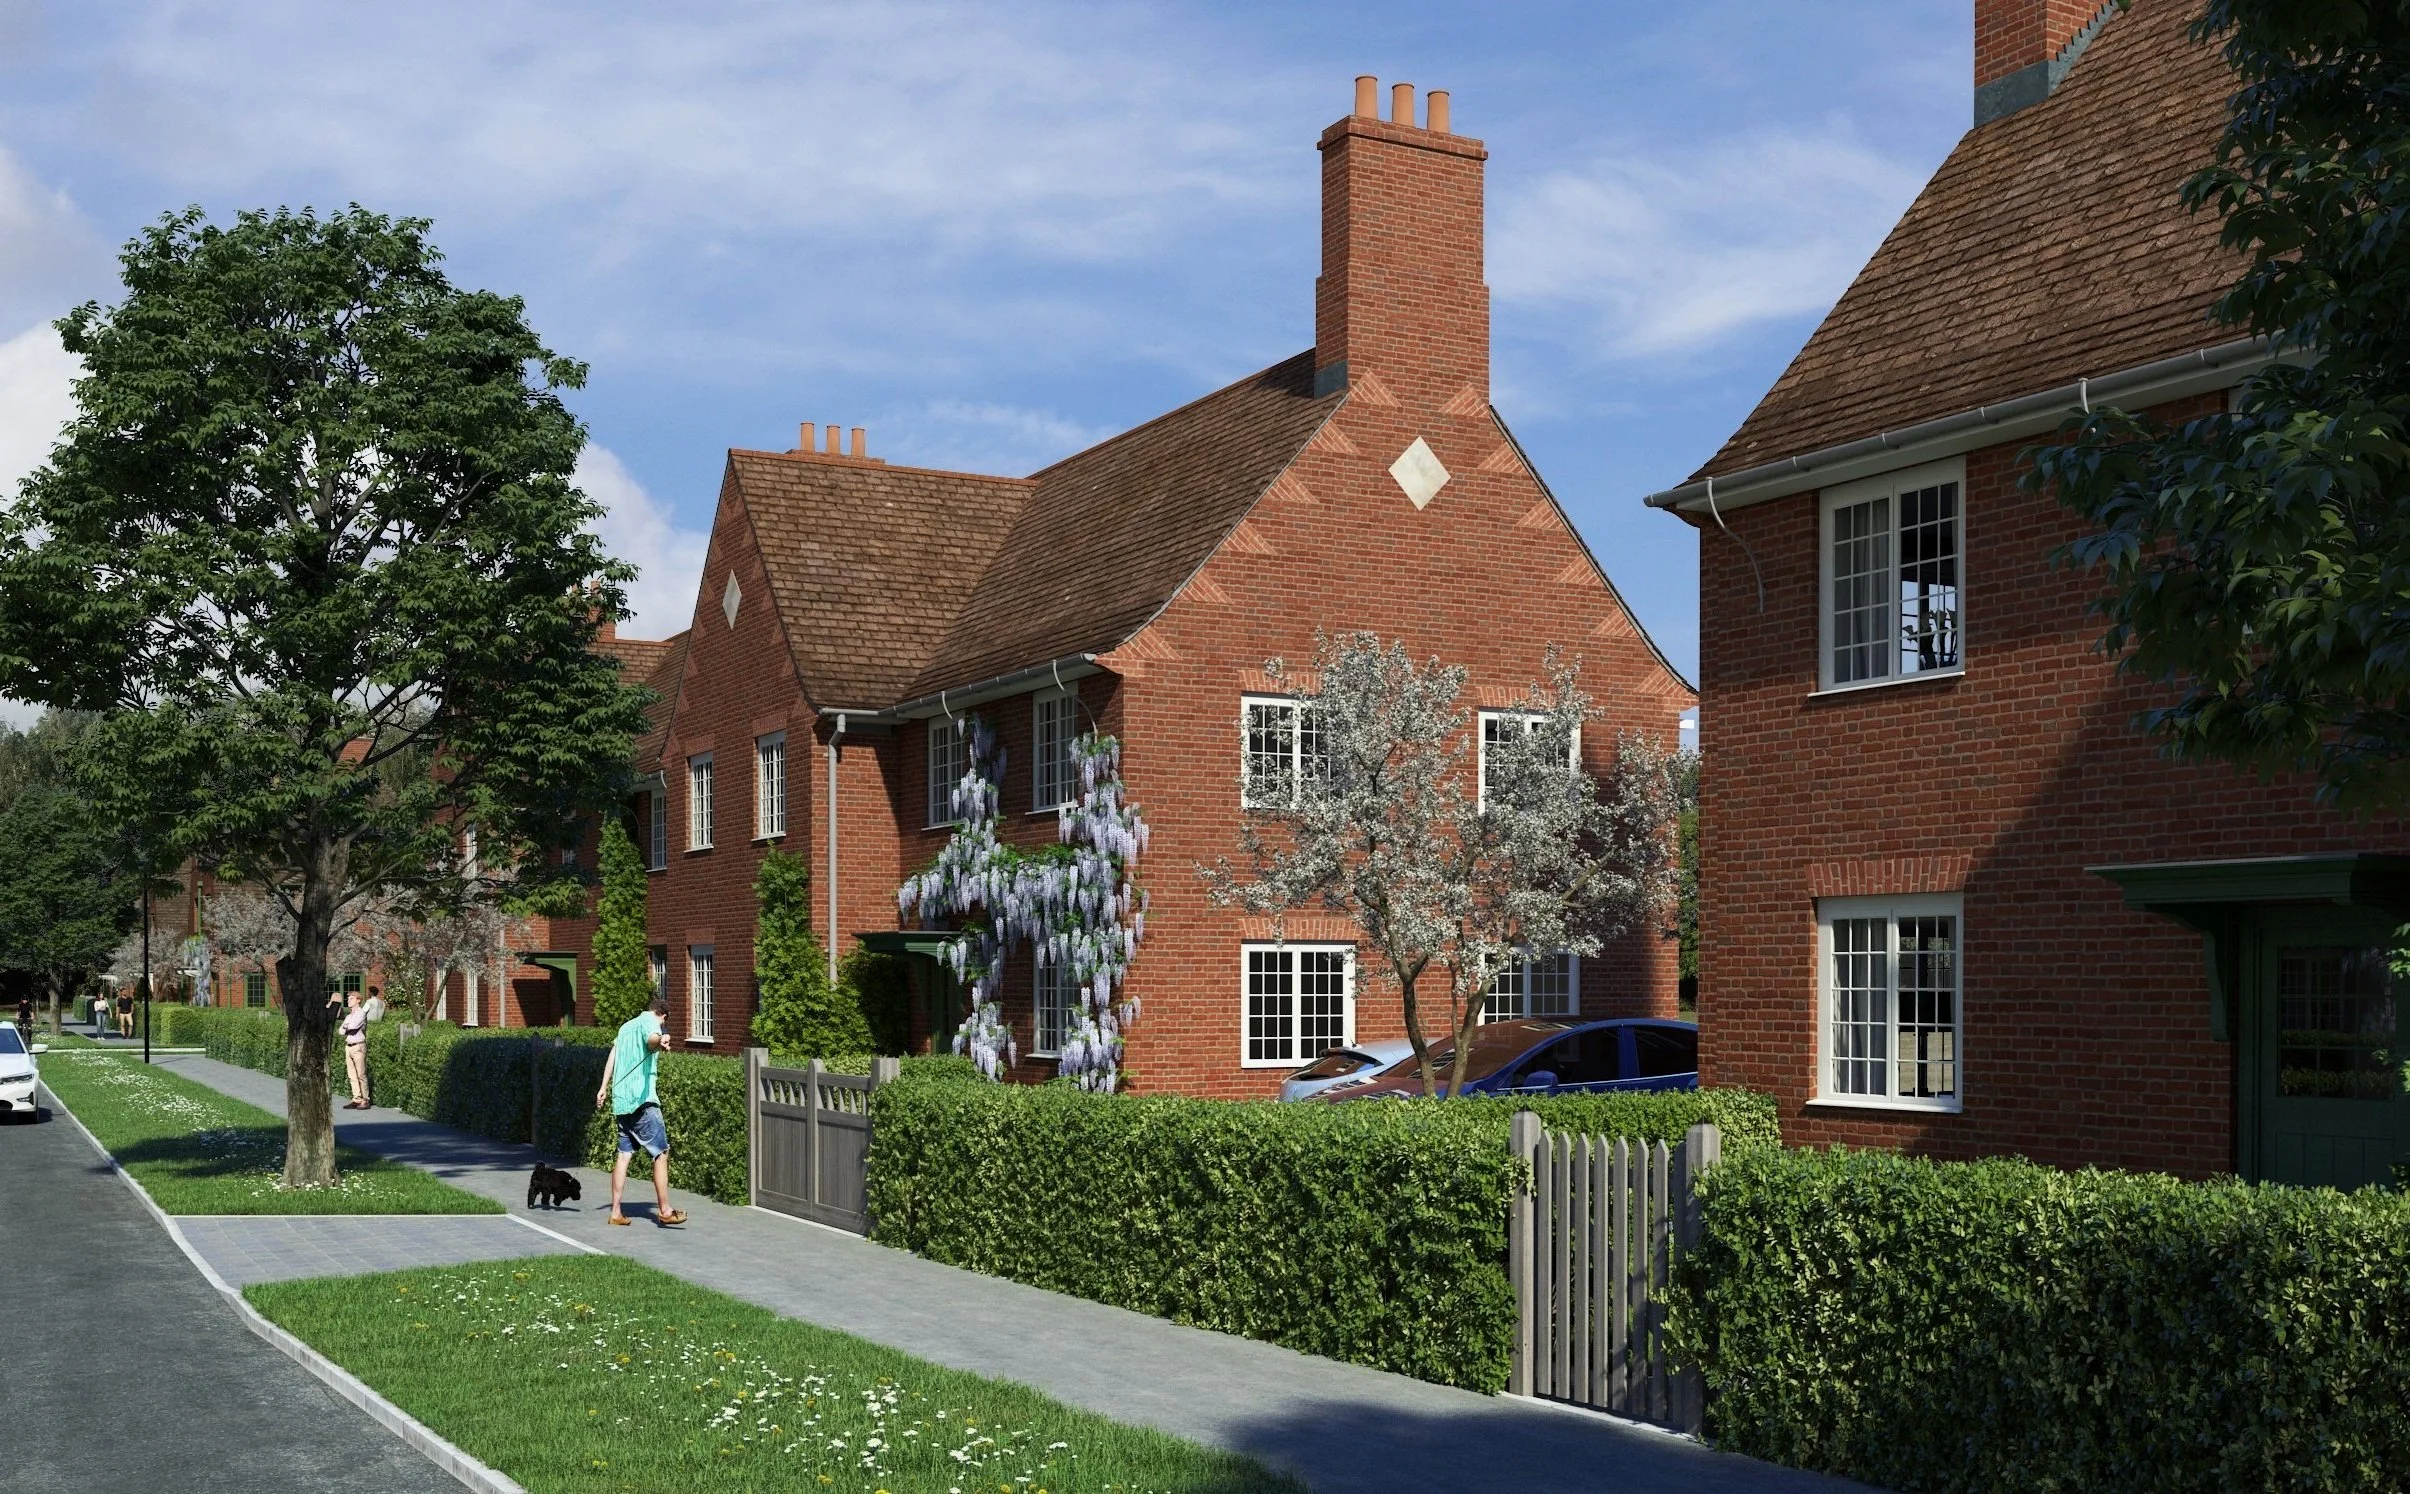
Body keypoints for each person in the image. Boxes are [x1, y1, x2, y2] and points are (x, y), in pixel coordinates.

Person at [595, 993, 685, 1226]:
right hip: (642, 1101)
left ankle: (616, 1212)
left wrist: (603, 1087)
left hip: (621, 1102)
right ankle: (665, 1210)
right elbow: (651, 1039)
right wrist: (661, 1039)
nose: (662, 1025)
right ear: (662, 1015)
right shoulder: (650, 1021)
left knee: (624, 1155)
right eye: (663, 1022)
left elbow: (613, 1055)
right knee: (660, 1153)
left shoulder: (625, 1027)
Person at [340, 990, 371, 1109]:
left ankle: (365, 1099)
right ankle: (356, 1098)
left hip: (358, 1046)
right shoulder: (349, 1016)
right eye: (348, 999)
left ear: (358, 1000)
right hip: (348, 1046)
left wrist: (346, 1026)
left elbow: (353, 1026)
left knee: (361, 1074)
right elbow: (341, 1031)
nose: (349, 1000)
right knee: (351, 1074)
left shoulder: (361, 1013)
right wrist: (346, 1027)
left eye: (351, 998)